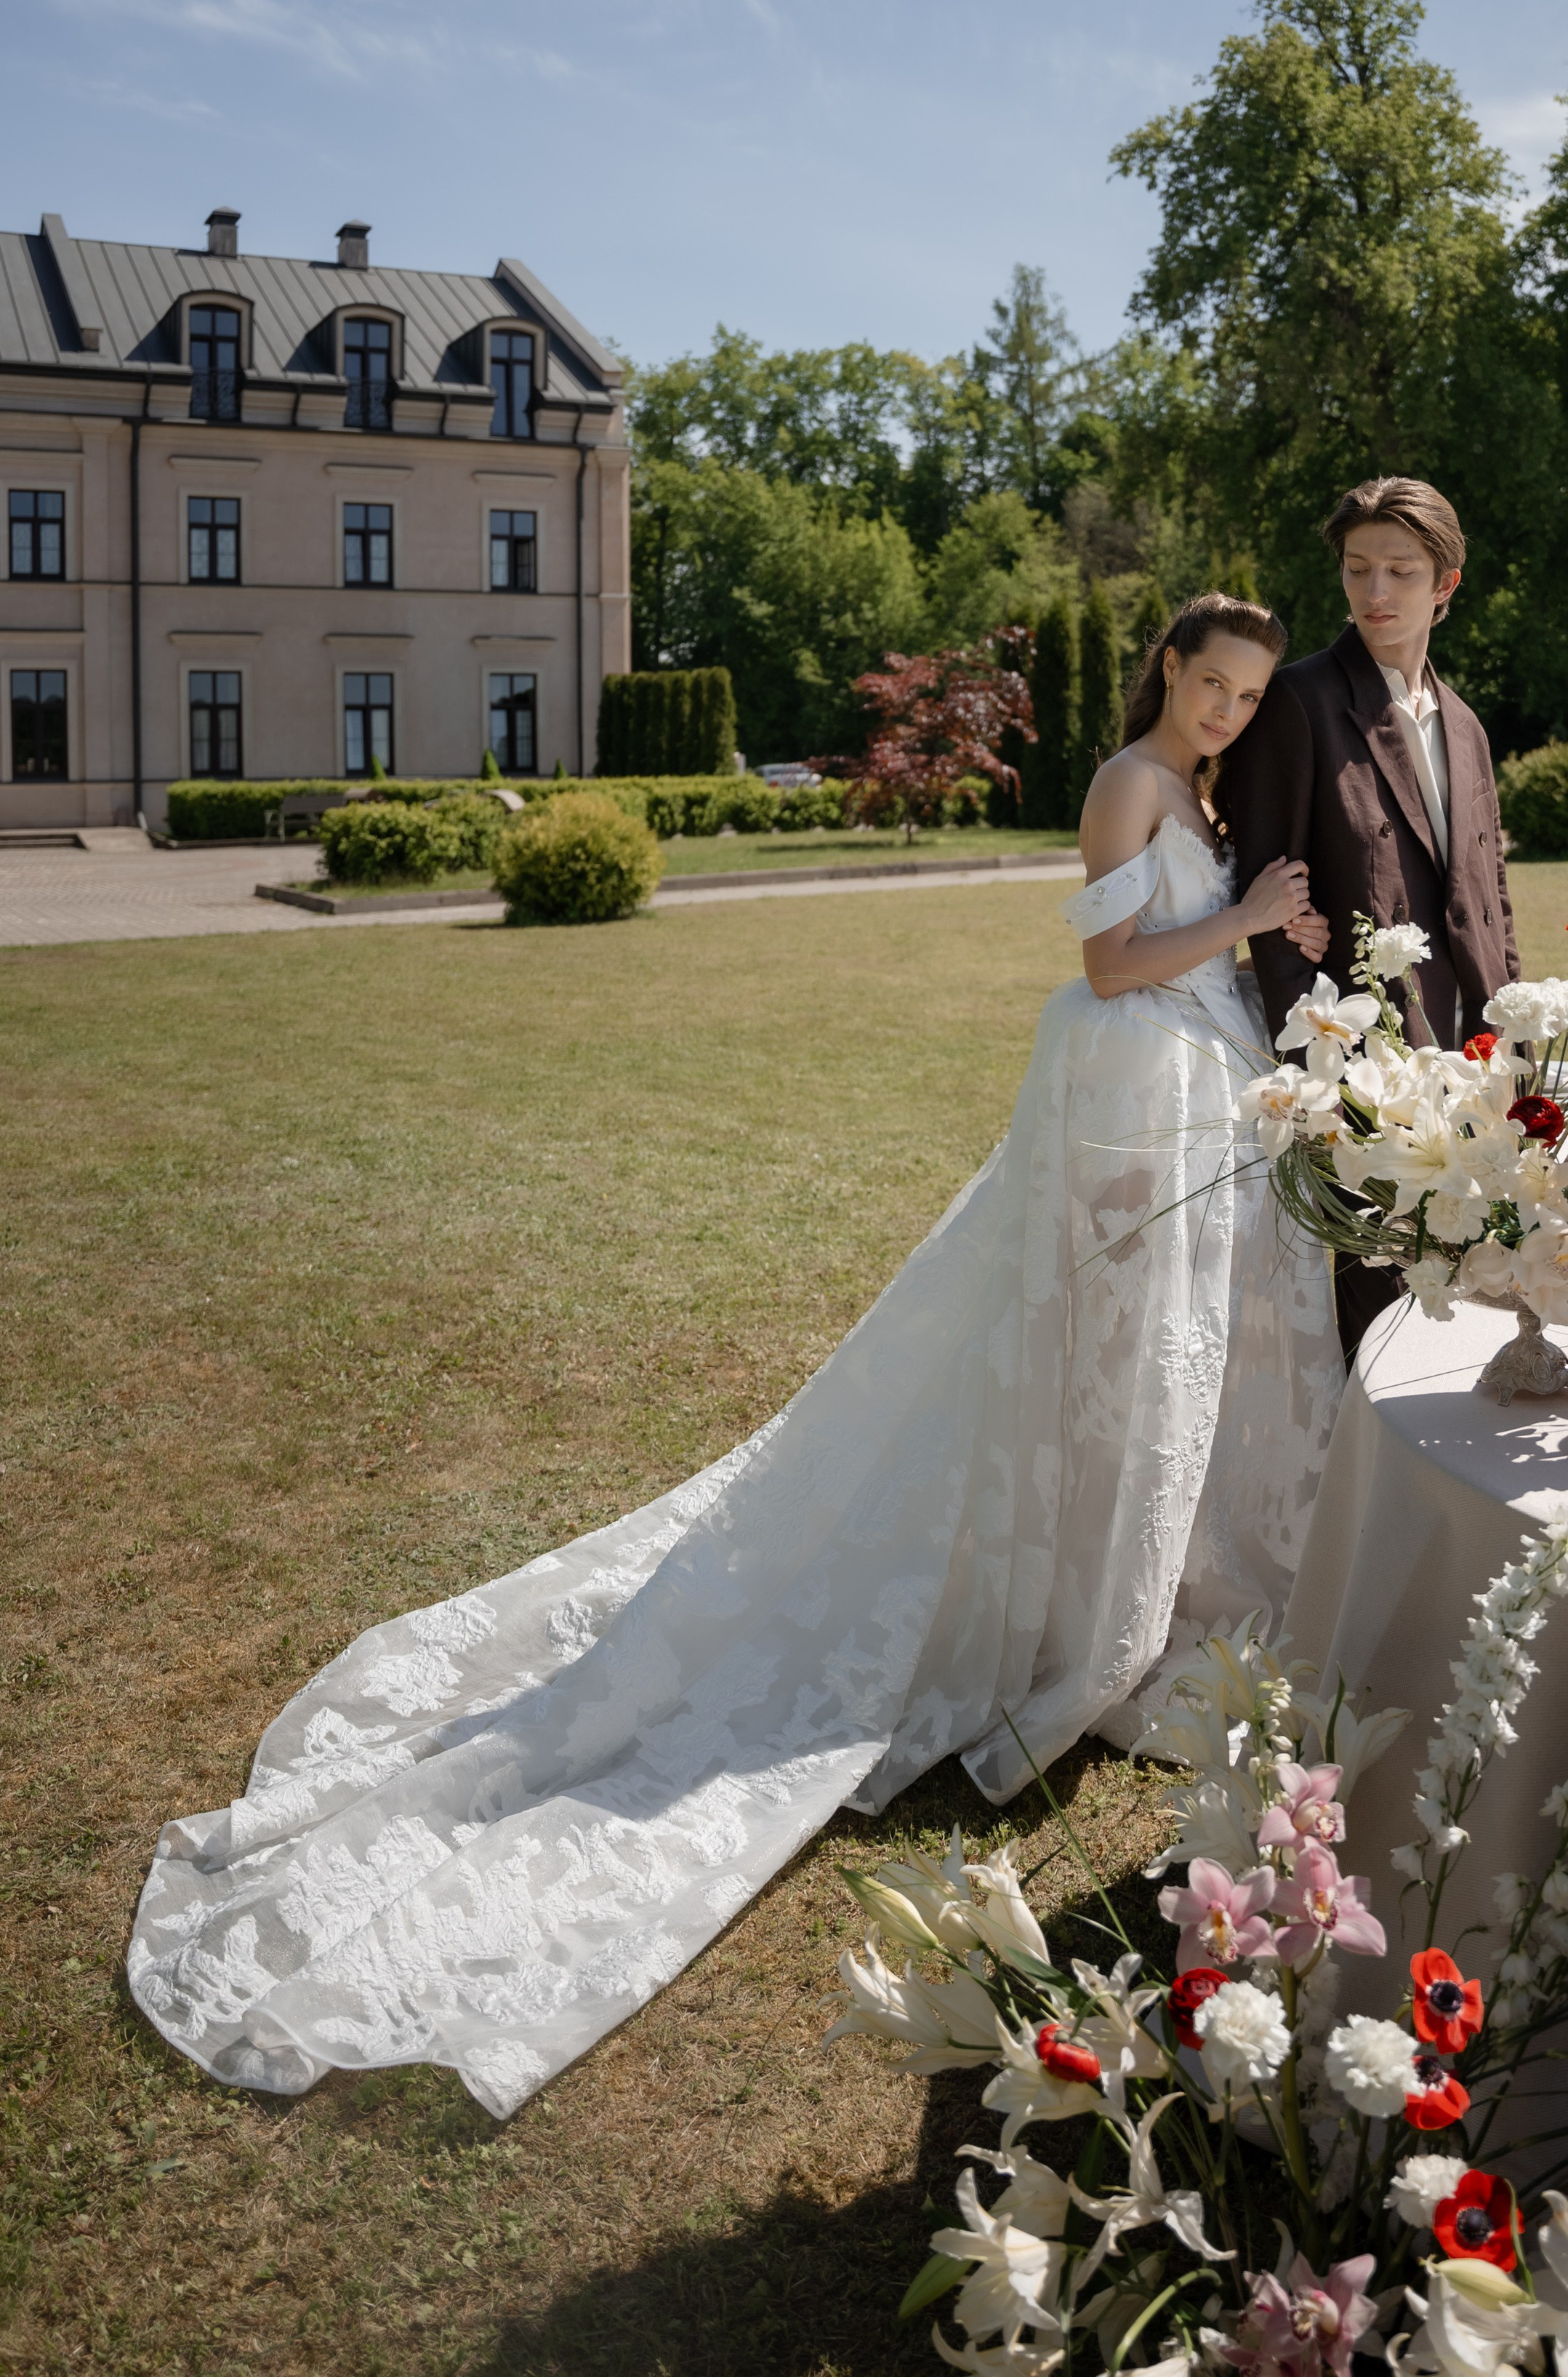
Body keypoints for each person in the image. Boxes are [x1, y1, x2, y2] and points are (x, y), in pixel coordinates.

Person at [127, 594, 1342, 2122]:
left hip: (1191, 1091)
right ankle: (1068, 1614)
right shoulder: (1124, 783)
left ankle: (1127, 1588)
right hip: (1122, 1089)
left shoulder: (1201, 791)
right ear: (1169, 668)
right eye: (1211, 682)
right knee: (1093, 1361)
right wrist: (1241, 917)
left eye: (1246, 693)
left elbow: (1190, 951)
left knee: (1143, 1372)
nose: (1228, 709)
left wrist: (1272, 930)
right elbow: (1110, 967)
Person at [1218, 476, 1519, 1362]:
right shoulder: (1298, 702)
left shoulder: (1465, 726)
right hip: (1359, 1066)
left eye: (1399, 570)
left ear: (1445, 583)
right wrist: (1323, 1084)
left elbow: (1490, 896)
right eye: (1357, 569)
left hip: (1469, 1055)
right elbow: (1269, 893)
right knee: (1376, 1302)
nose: (1375, 592)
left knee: (1465, 1285)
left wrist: (1513, 1046)